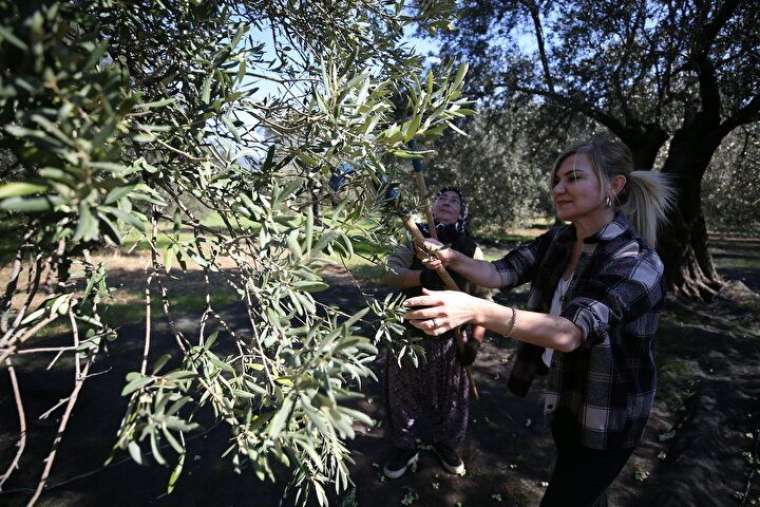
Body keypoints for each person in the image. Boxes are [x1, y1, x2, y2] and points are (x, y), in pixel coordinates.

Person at [404, 138, 674, 506]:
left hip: (611, 414)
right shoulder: (561, 239)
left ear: (614, 186)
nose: (559, 189)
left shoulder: (638, 261)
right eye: (556, 180)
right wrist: (449, 255)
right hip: (566, 396)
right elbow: (499, 272)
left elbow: (570, 332)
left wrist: (475, 310)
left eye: (574, 178)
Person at [381, 187, 490, 479]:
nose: (447, 202)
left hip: (452, 340)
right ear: (432, 205)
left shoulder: (470, 248)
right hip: (410, 334)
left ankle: (445, 444)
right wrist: (425, 275)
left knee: (452, 397)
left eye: (455, 200)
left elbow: (485, 300)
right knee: (403, 394)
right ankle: (405, 446)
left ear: (461, 213)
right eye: (442, 198)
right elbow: (389, 274)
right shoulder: (413, 238)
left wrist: (474, 344)